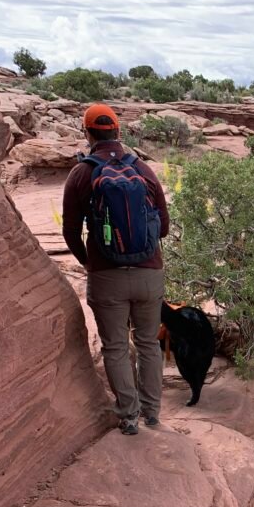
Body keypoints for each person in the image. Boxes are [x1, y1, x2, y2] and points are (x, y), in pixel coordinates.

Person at [63, 103, 170, 434]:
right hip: (149, 273)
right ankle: (152, 413)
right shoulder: (143, 170)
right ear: (118, 132)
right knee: (149, 343)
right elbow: (163, 227)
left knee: (116, 347)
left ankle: (129, 416)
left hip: (106, 276)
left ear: (88, 133)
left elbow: (70, 231)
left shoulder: (82, 173)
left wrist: (89, 261)